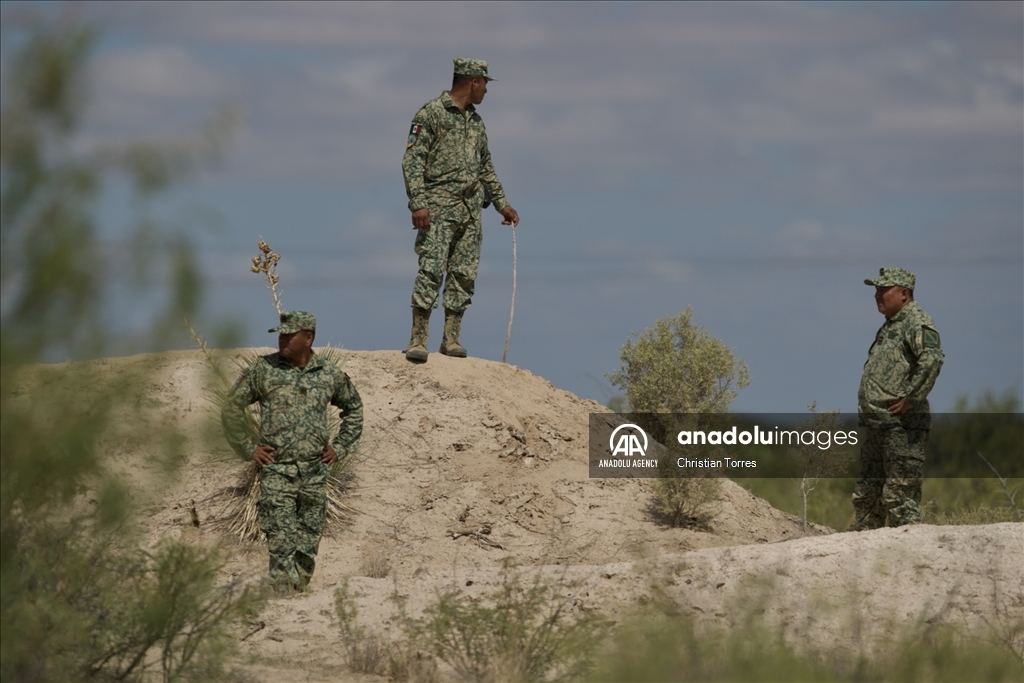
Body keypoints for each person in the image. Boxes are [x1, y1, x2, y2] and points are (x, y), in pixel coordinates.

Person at [221, 311, 363, 593]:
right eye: (280, 335)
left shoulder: (329, 374)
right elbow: (231, 408)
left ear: (308, 338)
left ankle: (300, 588)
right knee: (281, 534)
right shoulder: (264, 370)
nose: (282, 340)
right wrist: (249, 449)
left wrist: (341, 447)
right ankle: (281, 592)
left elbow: (354, 409)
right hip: (277, 469)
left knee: (309, 537)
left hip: (314, 471)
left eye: (289, 335)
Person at [402, 57, 520, 363]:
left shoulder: (476, 122)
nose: (486, 92)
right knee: (431, 270)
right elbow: (412, 161)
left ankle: (451, 338)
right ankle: (417, 339)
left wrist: (501, 203)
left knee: (463, 274)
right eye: (484, 85)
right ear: (473, 82)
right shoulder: (431, 114)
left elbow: (485, 167)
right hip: (437, 208)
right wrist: (419, 203)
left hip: (469, 211)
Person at [854, 268, 943, 530]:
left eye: (884, 290)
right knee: (867, 497)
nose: (877, 295)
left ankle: (909, 562)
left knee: (900, 498)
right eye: (876, 290)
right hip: (877, 424)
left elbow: (932, 359)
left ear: (904, 294)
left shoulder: (916, 321)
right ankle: (864, 559)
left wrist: (911, 399)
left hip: (901, 426)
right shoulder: (893, 324)